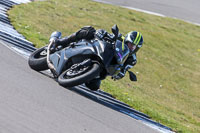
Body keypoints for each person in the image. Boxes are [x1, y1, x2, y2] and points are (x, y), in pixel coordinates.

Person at [55, 26, 143, 90]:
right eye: (130, 44)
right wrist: (101, 33)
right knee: (89, 31)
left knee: (94, 86)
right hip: (101, 53)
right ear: (126, 40)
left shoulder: (132, 60)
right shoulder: (119, 37)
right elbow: (106, 34)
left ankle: (77, 75)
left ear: (137, 48)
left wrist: (120, 74)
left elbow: (123, 70)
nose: (131, 47)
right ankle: (63, 41)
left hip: (105, 68)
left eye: (133, 46)